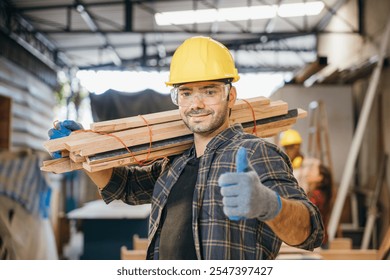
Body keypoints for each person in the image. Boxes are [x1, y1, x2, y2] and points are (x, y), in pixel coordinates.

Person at [49, 36, 324, 260]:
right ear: (177, 98)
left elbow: (310, 231)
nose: (196, 104)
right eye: (186, 93)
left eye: (209, 91)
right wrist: (83, 150)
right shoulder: (176, 160)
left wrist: (269, 205)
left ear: (231, 96)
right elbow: (126, 186)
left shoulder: (255, 153)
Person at [279, 129, 320, 193]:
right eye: (285, 148)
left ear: (297, 147)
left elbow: (314, 186)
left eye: (290, 147)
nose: (287, 151)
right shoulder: (284, 167)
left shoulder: (311, 164)